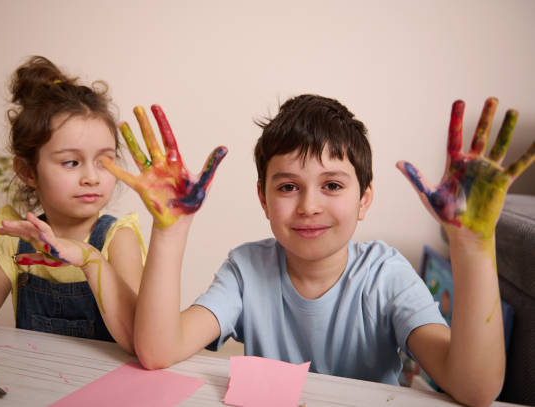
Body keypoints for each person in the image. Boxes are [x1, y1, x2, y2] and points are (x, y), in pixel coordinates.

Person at [104, 96, 534, 406]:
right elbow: (159, 351)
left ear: (364, 199)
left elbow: (475, 389)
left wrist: (473, 245)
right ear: (263, 199)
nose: (309, 205)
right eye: (289, 186)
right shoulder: (245, 269)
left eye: (332, 185)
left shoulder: (386, 275)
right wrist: (171, 230)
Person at [0, 56, 145, 353]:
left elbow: (141, 341)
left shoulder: (118, 238)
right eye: (71, 162)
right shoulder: (17, 240)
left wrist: (90, 260)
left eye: (104, 161)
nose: (92, 177)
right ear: (28, 171)